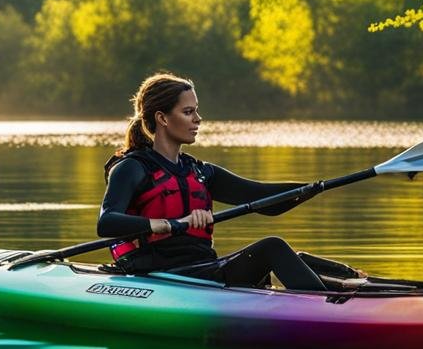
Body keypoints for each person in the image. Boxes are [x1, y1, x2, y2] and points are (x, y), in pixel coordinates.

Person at [97, 73, 327, 291]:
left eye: (196, 111)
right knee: (272, 248)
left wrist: (311, 188)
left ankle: (350, 290)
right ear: (162, 118)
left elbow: (263, 199)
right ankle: (327, 309)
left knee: (294, 259)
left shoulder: (200, 172)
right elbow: (106, 223)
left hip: (203, 270)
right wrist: (166, 223)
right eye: (188, 112)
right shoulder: (131, 167)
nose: (198, 119)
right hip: (159, 271)